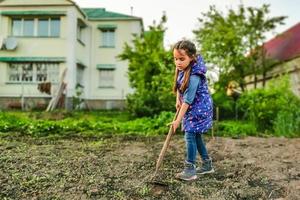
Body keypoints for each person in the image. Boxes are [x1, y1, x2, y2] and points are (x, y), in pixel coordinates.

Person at [170, 40, 214, 181]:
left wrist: (177, 121)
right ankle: (207, 165)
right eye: (175, 59)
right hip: (193, 107)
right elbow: (179, 85)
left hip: (200, 109)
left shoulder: (195, 76)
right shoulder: (182, 68)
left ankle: (190, 170)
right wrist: (178, 99)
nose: (178, 62)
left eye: (181, 59)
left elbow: (188, 101)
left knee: (190, 136)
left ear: (192, 57)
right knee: (196, 136)